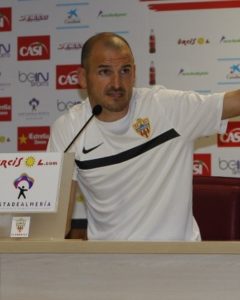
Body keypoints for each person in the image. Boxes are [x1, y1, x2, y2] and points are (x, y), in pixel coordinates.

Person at [47, 32, 240, 241]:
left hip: (179, 262)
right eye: (105, 72)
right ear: (83, 78)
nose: (117, 84)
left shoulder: (166, 108)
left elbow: (233, 102)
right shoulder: (68, 128)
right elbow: (55, 223)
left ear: (134, 73)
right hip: (110, 263)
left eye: (125, 71)